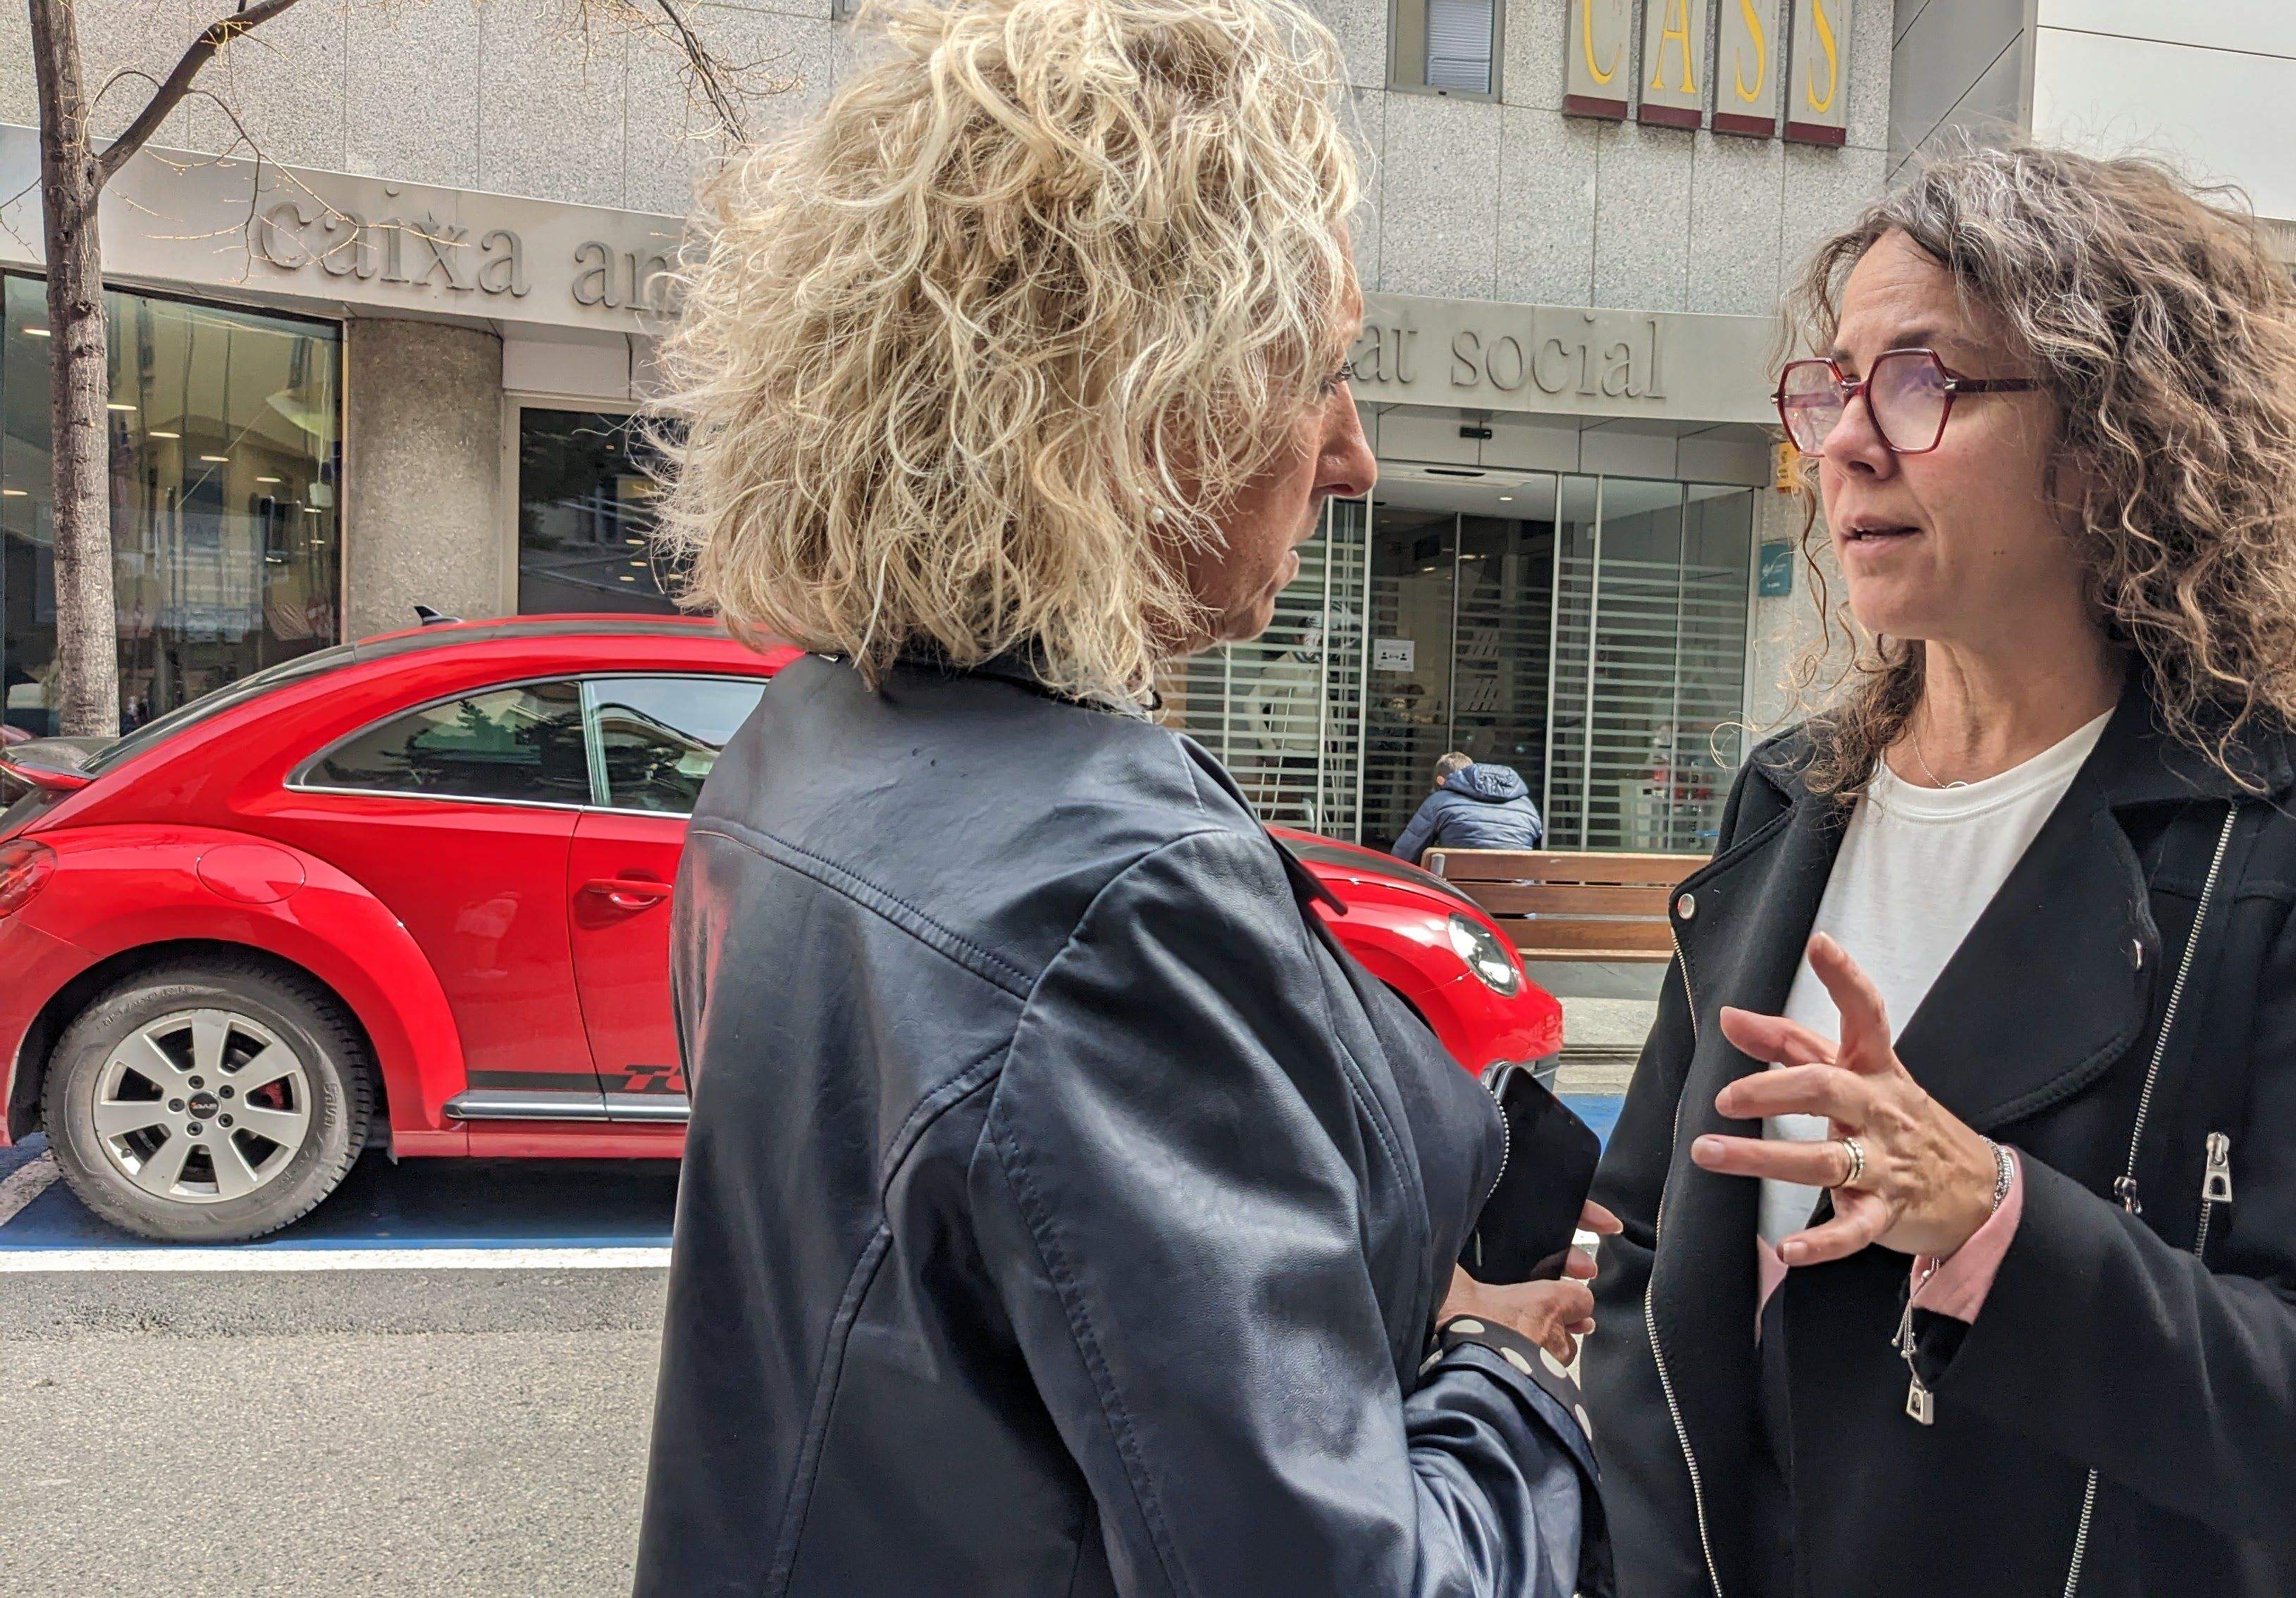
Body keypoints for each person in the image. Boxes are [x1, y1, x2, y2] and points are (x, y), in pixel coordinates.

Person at [631, 2, 1610, 1592]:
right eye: (1321, 377)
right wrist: (1510, 1379)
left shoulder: (814, 738)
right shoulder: (1109, 895)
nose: (1352, 456)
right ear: (1150, 404)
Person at [1584, 143, 2296, 1598]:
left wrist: (1992, 1215)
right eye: (1833, 388)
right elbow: (1644, 1250)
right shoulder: (1791, 796)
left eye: (1924, 380)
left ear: (2115, 437)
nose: (1850, 443)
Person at [1393, 752, 1545, 861]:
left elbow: (1403, 856)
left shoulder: (1440, 801)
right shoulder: (1526, 805)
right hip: (1518, 897)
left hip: (1459, 896)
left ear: (1441, 780)